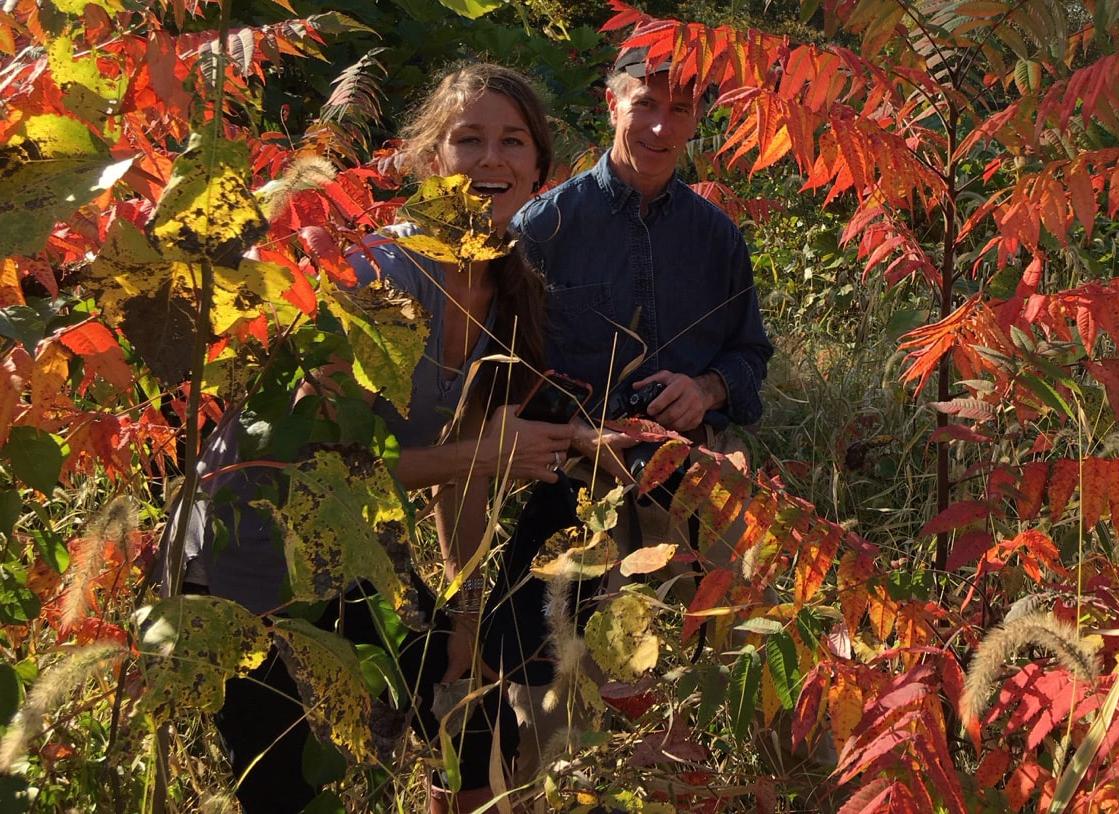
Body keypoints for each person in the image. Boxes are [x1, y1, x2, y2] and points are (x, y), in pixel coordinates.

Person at [178, 63, 609, 814]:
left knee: (468, 717)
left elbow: (464, 480)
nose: (489, 160)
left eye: (512, 141)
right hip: (245, 553)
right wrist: (483, 455)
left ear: (541, 169)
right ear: (428, 161)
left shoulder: (512, 291)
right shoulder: (379, 275)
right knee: (284, 787)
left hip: (342, 551)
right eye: (466, 139)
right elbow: (321, 472)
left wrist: (465, 618)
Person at [499, 45, 773, 775]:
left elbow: (750, 356)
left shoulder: (716, 238)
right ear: (611, 103)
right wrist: (578, 430)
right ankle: (559, 782)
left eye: (678, 108)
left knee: (725, 656)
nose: (660, 125)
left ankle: (703, 777)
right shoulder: (544, 229)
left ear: (697, 120)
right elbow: (502, 374)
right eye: (644, 103)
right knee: (543, 668)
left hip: (692, 477)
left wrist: (707, 389)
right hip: (571, 481)